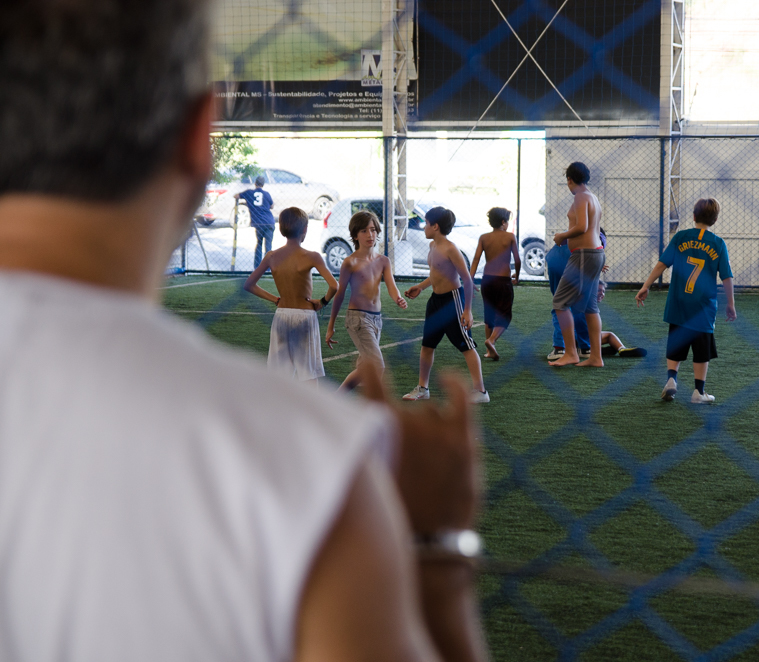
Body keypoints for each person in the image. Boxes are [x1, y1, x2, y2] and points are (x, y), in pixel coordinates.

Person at [0, 2, 488, 661]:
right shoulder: (302, 459)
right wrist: (435, 549)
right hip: (302, 337)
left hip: (292, 318)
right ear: (200, 135)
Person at [636, 198, 737, 404]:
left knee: (677, 341)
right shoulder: (718, 243)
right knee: (702, 349)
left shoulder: (681, 237)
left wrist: (646, 285)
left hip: (679, 302)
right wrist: (731, 304)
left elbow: (662, 263)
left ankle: (671, 380)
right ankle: (698, 392)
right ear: (715, 219)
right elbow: (727, 277)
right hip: (703, 306)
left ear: (693, 216)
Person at [243, 206, 338, 385]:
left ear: (281, 229)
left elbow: (249, 285)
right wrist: (322, 302)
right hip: (305, 316)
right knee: (308, 375)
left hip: (282, 315)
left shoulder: (272, 256)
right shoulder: (312, 256)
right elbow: (334, 285)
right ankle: (309, 411)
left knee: (279, 376)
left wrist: (276, 299)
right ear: (305, 229)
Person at [403, 207, 489, 403]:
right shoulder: (433, 245)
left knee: (466, 346)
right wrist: (421, 287)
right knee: (427, 345)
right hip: (435, 301)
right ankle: (423, 388)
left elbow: (467, 280)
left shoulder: (451, 249)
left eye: (425, 223)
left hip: (453, 301)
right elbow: (436, 273)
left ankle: (481, 392)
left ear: (435, 226)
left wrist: (467, 311)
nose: (423, 227)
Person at [326, 209, 407, 390]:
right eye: (364, 231)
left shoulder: (383, 261)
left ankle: (338, 398)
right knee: (377, 365)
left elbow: (392, 287)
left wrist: (398, 299)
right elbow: (339, 294)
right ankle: (372, 408)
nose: (370, 234)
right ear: (355, 235)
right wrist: (331, 326)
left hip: (376, 320)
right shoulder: (350, 262)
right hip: (358, 320)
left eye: (373, 230)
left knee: (364, 367)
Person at [549, 162, 606, 367]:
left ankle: (571, 353)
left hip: (584, 255)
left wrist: (561, 236)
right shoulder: (592, 197)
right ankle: (596, 357)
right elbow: (589, 229)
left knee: (560, 303)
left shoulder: (581, 196)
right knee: (590, 307)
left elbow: (582, 226)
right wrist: (567, 239)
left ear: (570, 179)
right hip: (595, 253)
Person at [545, 227, 607, 361]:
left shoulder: (575, 230)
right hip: (576, 260)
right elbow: (596, 252)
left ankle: (560, 348)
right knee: (581, 305)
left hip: (556, 260)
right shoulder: (598, 234)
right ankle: (584, 348)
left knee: (560, 305)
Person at [470, 207, 520, 361]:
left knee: (489, 314)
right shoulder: (510, 237)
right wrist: (516, 276)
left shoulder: (484, 238)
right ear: (503, 222)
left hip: (487, 280)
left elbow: (476, 259)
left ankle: (489, 351)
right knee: (504, 315)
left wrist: (470, 278)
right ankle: (491, 340)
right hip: (503, 280)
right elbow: (517, 260)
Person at [235, 174, 275, 268]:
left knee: (259, 243)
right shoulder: (266, 194)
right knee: (268, 246)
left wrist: (247, 202)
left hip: (259, 223)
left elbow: (236, 196)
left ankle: (257, 266)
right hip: (269, 222)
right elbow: (272, 206)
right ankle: (268, 267)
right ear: (263, 185)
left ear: (255, 183)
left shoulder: (249, 193)